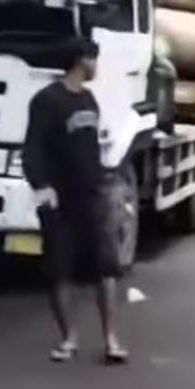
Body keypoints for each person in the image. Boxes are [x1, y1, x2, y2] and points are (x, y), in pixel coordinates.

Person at [22, 38, 128, 364]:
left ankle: (111, 340)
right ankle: (68, 339)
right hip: (60, 199)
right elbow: (33, 148)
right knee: (60, 271)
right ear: (82, 61)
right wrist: (41, 186)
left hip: (93, 196)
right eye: (94, 59)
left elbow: (90, 148)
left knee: (105, 269)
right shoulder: (47, 101)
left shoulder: (89, 99)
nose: (97, 67)